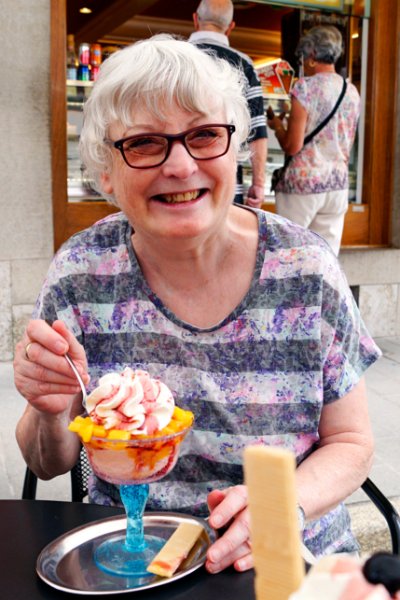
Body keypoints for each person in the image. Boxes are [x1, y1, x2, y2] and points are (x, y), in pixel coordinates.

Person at [14, 35, 380, 575]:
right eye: (144, 143)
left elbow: (352, 441)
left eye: (205, 135)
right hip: (132, 560)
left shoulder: (305, 268)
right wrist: (49, 410)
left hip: (282, 561)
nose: (182, 166)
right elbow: (47, 462)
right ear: (106, 171)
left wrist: (282, 505)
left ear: (236, 147)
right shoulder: (80, 273)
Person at [267, 25, 360, 256]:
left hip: (304, 184)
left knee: (288, 254)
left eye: (303, 56)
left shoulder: (305, 88)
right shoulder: (351, 92)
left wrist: (278, 127)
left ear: (312, 55)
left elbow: (293, 146)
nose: (303, 63)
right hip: (337, 184)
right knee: (326, 258)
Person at [189, 0, 267, 208]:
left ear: (195, 19)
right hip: (226, 183)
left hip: (176, 176)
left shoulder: (172, 58)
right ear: (231, 27)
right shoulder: (243, 65)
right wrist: (259, 184)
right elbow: (257, 129)